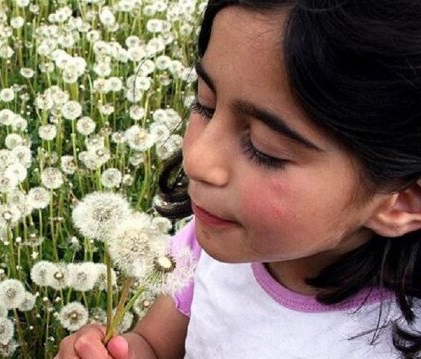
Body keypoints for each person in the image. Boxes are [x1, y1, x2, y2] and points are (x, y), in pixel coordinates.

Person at [56, 0, 421, 358]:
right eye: (205, 104)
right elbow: (153, 344)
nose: (196, 160)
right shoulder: (206, 246)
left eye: (265, 148)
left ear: (404, 201)